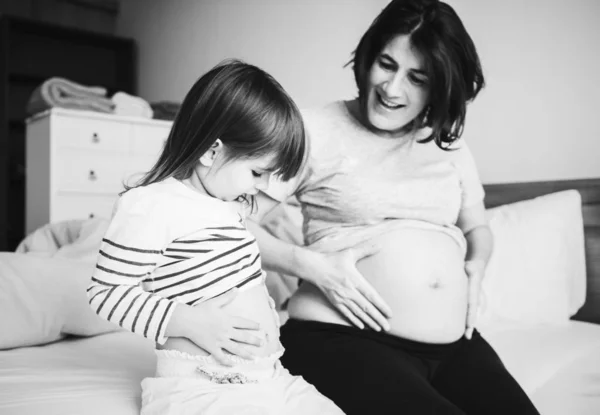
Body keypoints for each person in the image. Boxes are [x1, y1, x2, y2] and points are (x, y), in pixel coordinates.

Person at [246, 1, 541, 414]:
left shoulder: (448, 145)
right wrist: (310, 265)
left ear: (440, 88)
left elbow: (477, 228)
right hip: (340, 339)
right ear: (368, 56)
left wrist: (476, 266)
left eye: (417, 78)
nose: (391, 88)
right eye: (386, 64)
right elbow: (230, 224)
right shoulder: (312, 129)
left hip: (455, 346)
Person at [87, 60, 344, 415]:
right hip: (204, 386)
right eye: (258, 172)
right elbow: (106, 293)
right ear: (211, 151)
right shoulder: (151, 205)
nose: (263, 187)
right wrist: (190, 322)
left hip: (271, 377)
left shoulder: (228, 203)